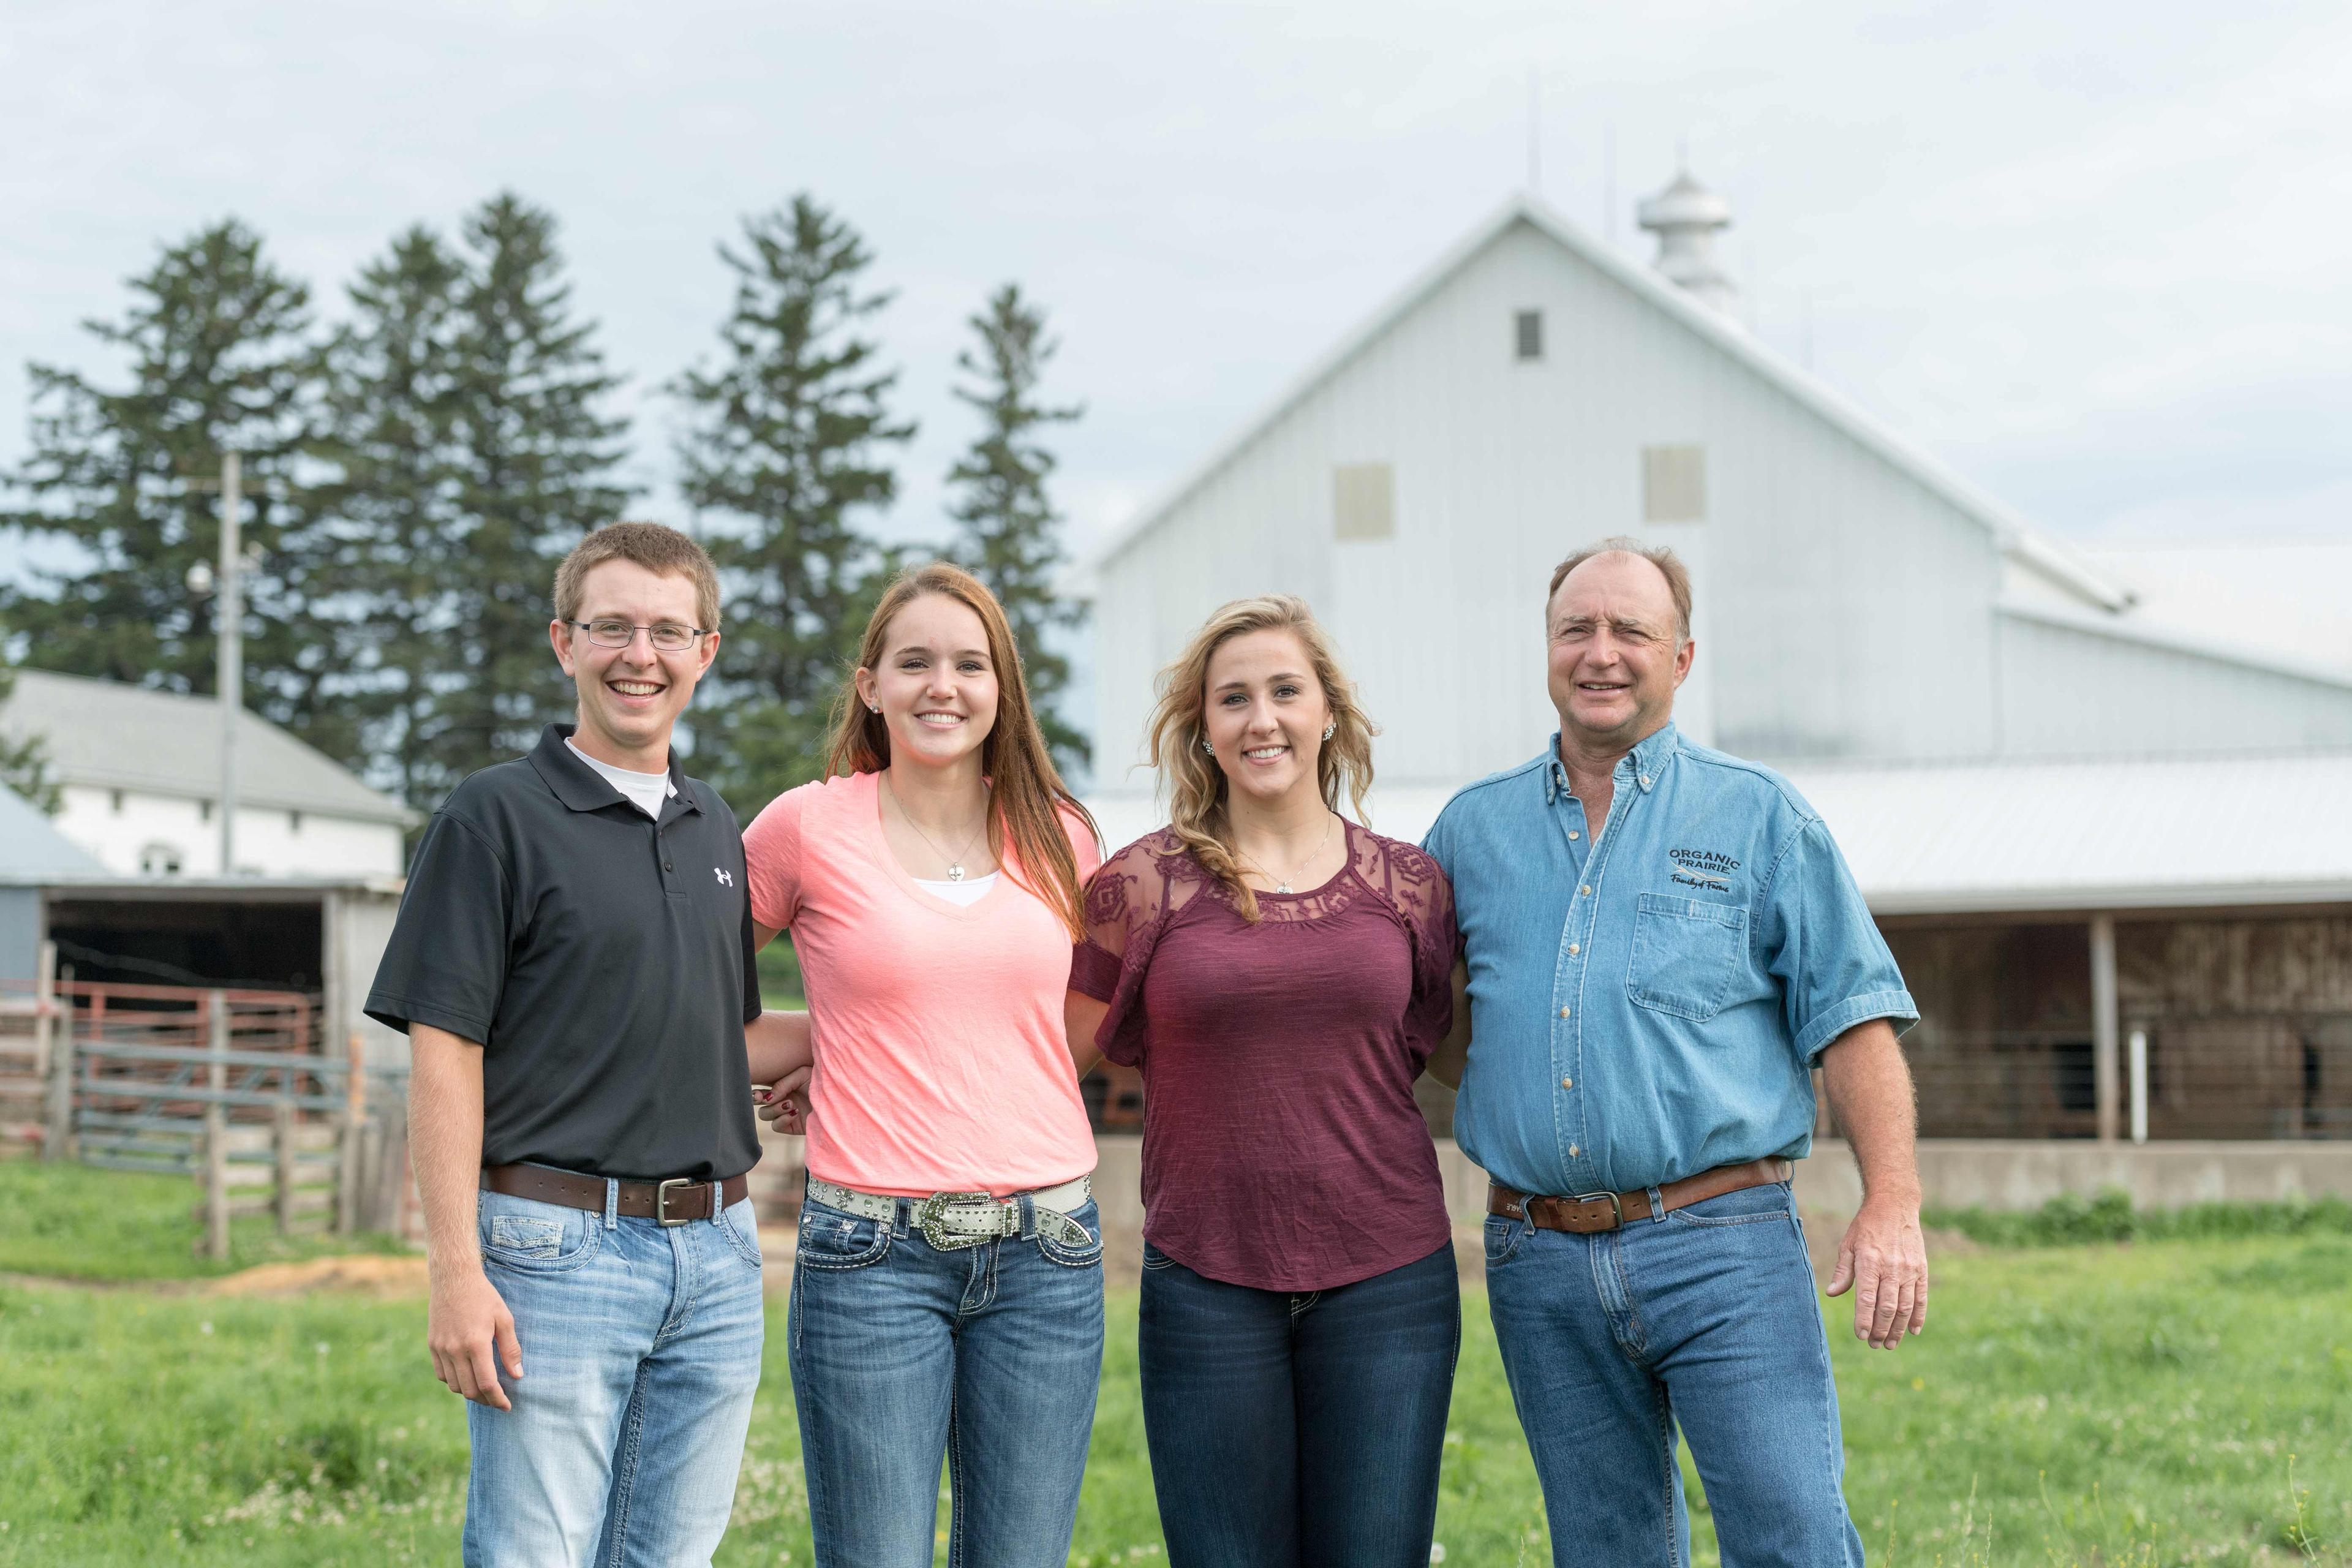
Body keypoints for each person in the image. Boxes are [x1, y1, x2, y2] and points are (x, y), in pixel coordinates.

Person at [1420, 536, 1928, 1568]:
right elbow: (1425, 1024)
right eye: (1577, 629)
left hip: (1724, 1244)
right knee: (1606, 1550)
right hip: (1536, 1256)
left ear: (1682, 658)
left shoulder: (1760, 817)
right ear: (1548, 648)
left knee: (1791, 1538)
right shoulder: (1470, 833)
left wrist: (1892, 1204)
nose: (1601, 652)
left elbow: (1854, 1019)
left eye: (1630, 631)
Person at [365, 521, 802, 1567]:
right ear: (565, 643)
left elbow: (729, 1036)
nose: (637, 655)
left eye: (666, 630)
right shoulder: (493, 818)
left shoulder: (715, 829)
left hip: (720, 1259)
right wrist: (455, 1272)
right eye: (611, 627)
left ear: (707, 650)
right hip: (554, 1251)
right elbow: (444, 1051)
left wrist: (874, 1040)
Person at [1068, 595, 1461, 1568]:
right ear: (1204, 729)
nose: (1262, 718)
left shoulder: (1410, 885)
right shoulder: (1139, 887)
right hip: (1205, 1280)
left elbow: (1444, 1047)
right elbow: (1042, 1052)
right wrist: (846, 1058)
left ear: (1328, 710)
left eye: (1286, 691)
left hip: (1391, 1280)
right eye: (1233, 699)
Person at [739, 562, 1106, 1568]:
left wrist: (871, 1043)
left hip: (1051, 1252)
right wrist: (848, 1042)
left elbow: (1066, 1030)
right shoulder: (804, 826)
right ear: (870, 686)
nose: (942, 686)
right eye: (914, 663)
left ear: (1003, 689)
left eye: (969, 664)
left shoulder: (1062, 836)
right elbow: (693, 1000)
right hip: (871, 1258)